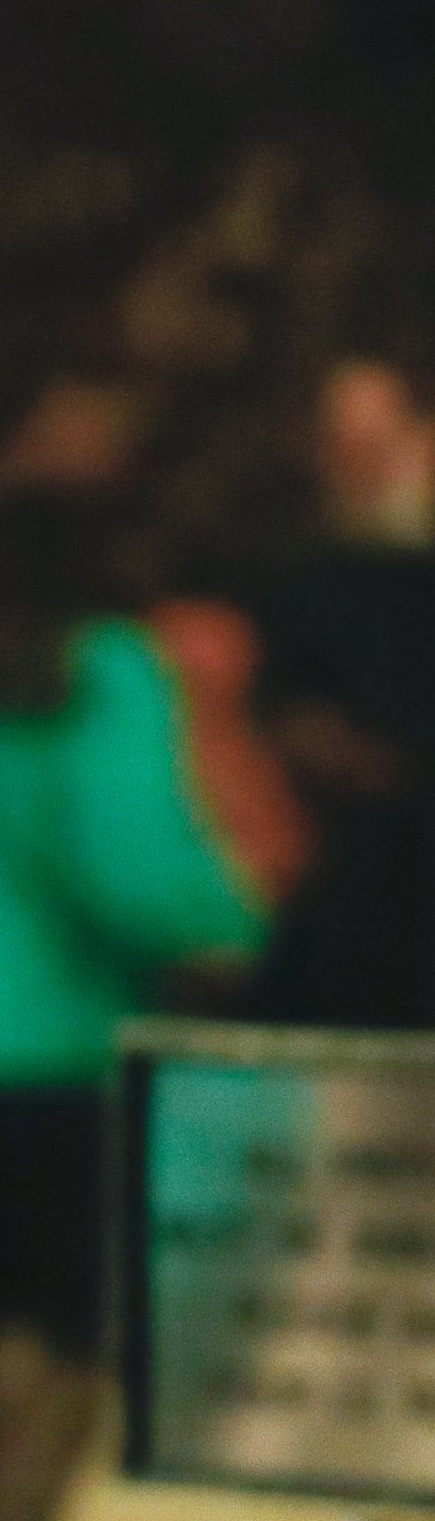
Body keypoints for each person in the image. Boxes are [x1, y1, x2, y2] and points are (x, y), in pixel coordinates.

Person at [0, 376, 306, 1521]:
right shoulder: (102, 668)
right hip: (58, 1053)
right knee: (66, 1335)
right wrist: (248, 903)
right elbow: (147, 874)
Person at [245, 352, 435, 1028]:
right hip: (338, 911)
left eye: (377, 441)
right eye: (342, 441)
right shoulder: (295, 582)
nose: (359, 461)